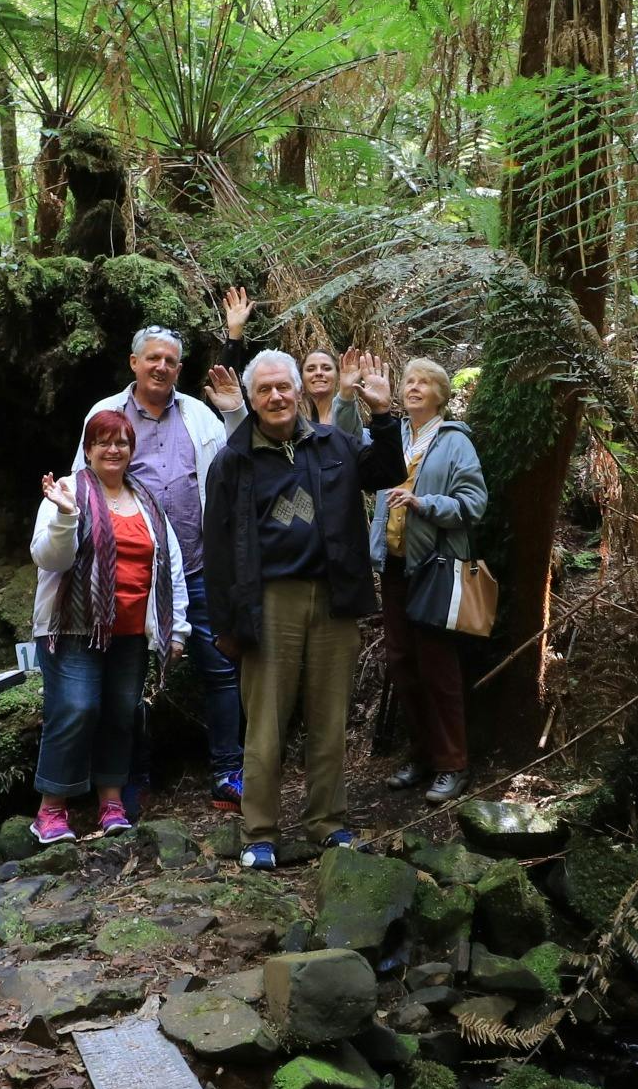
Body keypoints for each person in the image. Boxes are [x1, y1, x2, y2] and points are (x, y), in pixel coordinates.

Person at [202, 348, 372, 870]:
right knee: (266, 725)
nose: (276, 397)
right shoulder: (234, 460)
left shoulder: (333, 443)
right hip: (268, 600)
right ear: (251, 401)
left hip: (333, 596)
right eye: (264, 390)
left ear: (299, 391)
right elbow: (217, 548)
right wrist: (226, 624)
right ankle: (259, 832)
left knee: (329, 718)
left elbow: (385, 469)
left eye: (283, 387)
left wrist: (384, 415)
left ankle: (328, 823)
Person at [80, 325, 241, 808]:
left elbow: (236, 464)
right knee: (128, 679)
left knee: (221, 669)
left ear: (179, 368)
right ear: (134, 362)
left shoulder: (199, 415)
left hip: (197, 564)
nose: (161, 367)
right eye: (152, 358)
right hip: (131, 574)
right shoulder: (106, 414)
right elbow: (82, 484)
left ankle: (228, 771)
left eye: (170, 361)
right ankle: (134, 777)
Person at [29, 407, 181, 840]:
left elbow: (170, 566)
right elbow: (48, 558)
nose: (113, 450)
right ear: (88, 448)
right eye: (103, 442)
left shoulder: (146, 500)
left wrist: (177, 628)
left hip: (131, 632)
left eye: (121, 442)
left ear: (132, 449)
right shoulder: (67, 490)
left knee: (121, 714)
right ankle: (50, 810)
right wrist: (65, 516)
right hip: (73, 628)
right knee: (75, 708)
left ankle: (111, 801)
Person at [377, 354, 487, 800]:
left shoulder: (455, 442)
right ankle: (421, 755)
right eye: (408, 381)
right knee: (403, 665)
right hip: (394, 567)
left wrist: (424, 503)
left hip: (435, 568)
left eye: (424, 382)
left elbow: (474, 503)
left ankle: (452, 763)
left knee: (438, 667)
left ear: (441, 395)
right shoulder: (393, 436)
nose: (414, 388)